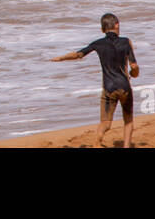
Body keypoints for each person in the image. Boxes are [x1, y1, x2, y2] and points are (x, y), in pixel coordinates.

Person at [52, 13, 139, 148]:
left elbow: (78, 55)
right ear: (117, 25)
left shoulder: (98, 44)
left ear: (102, 30)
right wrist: (134, 71)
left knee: (105, 123)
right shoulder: (126, 42)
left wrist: (61, 58)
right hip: (125, 87)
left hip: (109, 88)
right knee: (128, 121)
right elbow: (134, 70)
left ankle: (97, 143)